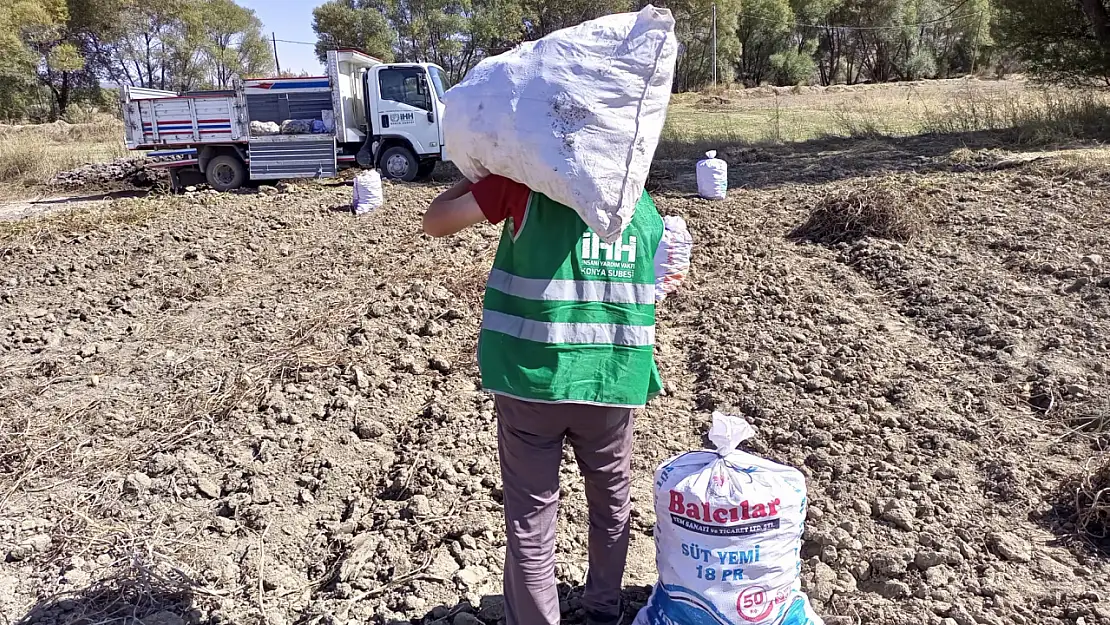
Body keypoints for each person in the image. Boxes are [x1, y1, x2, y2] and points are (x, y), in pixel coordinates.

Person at [422, 175, 666, 625]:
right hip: (610, 383)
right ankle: (602, 613)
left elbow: (435, 221)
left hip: (532, 384)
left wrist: (475, 176)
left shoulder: (521, 184)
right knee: (611, 505)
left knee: (532, 521)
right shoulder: (638, 201)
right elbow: (659, 274)